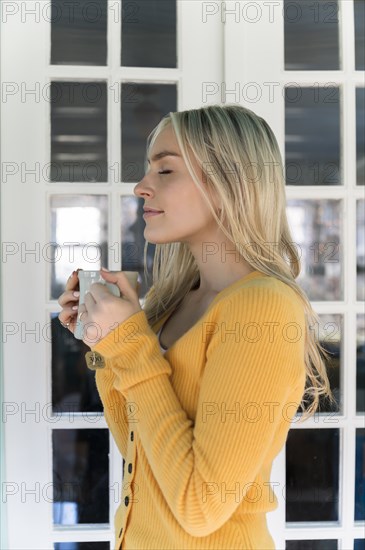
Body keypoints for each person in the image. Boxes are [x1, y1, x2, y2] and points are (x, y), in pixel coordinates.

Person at [58, 104, 333, 550]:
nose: (141, 187)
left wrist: (129, 346)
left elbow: (200, 508)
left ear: (231, 184)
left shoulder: (262, 308)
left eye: (165, 170)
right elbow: (143, 455)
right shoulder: (177, 304)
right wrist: (106, 343)